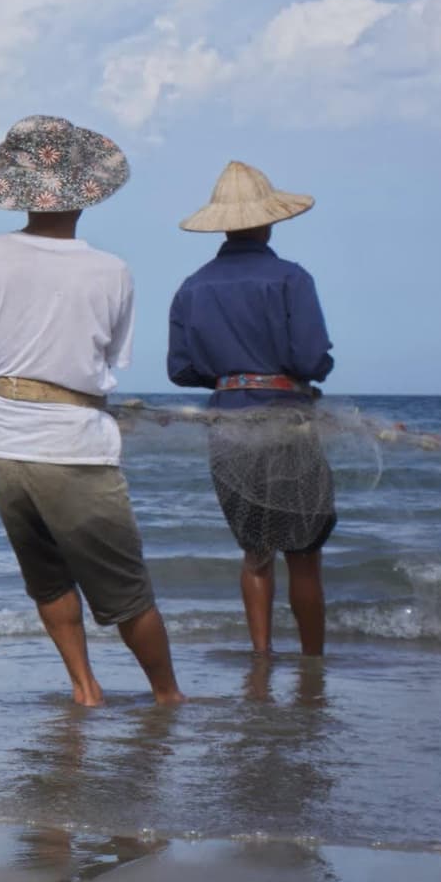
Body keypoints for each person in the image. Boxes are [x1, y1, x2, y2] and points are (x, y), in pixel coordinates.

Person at [0, 118, 181, 708]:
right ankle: (169, 699)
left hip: (4, 446)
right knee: (128, 591)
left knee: (46, 578)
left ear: (16, 189)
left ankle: (85, 690)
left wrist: (15, 378)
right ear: (86, 191)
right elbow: (105, 365)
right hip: (75, 446)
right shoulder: (110, 270)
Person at [166, 160, 335, 661]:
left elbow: (181, 370)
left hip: (228, 424)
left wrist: (230, 374)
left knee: (255, 552)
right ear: (269, 219)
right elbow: (311, 360)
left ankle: (260, 663)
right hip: (286, 418)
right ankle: (311, 665)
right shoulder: (290, 279)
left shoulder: (191, 287)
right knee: (303, 553)